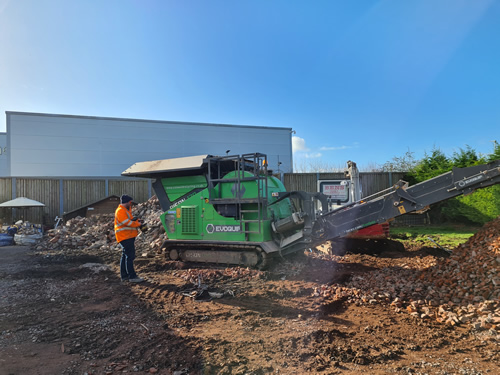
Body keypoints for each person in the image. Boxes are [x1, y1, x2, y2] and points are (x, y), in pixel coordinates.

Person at [114, 194, 144, 283]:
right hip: (124, 236)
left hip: (127, 236)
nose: (131, 204)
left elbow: (131, 220)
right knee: (130, 256)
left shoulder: (126, 211)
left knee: (125, 255)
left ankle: (124, 276)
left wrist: (137, 220)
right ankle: (132, 276)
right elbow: (127, 222)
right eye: (130, 202)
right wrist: (138, 224)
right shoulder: (120, 211)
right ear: (126, 202)